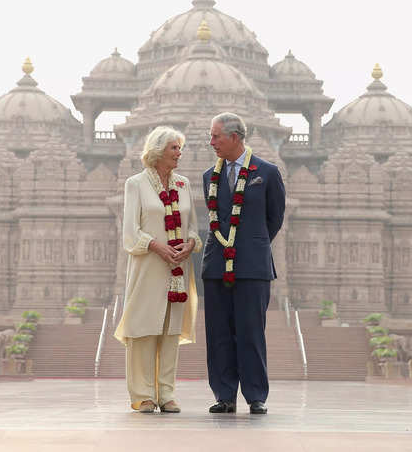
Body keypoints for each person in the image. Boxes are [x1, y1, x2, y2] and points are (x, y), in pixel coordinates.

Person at [201, 112, 286, 415]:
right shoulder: (208, 176)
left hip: (252, 267)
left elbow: (274, 220)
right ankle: (224, 395)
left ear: (234, 137)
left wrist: (250, 243)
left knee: (251, 331)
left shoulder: (267, 172)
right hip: (215, 266)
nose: (211, 142)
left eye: (215, 137)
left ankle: (255, 395)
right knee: (218, 333)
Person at [114, 126, 201, 413]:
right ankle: (143, 395)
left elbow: (192, 229)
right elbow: (130, 232)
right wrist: (156, 246)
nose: (180, 153)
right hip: (148, 265)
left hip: (178, 267)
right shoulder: (135, 184)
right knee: (143, 328)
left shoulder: (183, 185)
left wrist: (189, 245)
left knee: (170, 331)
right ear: (158, 150)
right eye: (174, 148)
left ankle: (166, 394)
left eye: (180, 147)